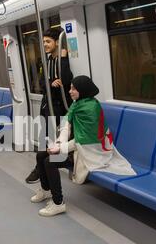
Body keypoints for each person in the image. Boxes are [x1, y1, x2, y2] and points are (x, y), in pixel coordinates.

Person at [31, 76, 136, 217]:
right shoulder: (78, 103)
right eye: (70, 88)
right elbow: (66, 123)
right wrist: (60, 142)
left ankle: (58, 203)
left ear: (83, 90)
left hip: (91, 152)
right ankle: (46, 190)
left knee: (49, 162)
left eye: (73, 88)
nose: (70, 91)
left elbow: (85, 140)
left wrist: (60, 149)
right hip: (79, 148)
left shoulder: (91, 109)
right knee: (41, 155)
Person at [26, 27, 74, 184]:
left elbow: (66, 79)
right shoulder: (45, 62)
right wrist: (50, 82)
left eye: (48, 41)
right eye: (44, 41)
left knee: (57, 138)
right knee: (44, 137)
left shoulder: (61, 59)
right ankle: (41, 168)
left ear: (57, 42)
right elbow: (40, 81)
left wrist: (64, 57)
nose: (45, 44)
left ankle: (44, 168)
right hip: (47, 104)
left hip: (60, 106)